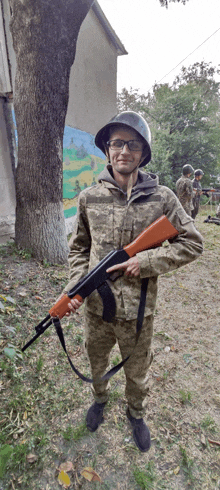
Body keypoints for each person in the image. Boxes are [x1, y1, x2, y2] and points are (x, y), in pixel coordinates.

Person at [62, 111, 203, 453]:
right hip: (96, 309)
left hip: (140, 313)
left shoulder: (164, 198)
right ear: (107, 150)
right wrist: (77, 285)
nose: (124, 150)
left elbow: (193, 243)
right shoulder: (88, 198)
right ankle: (99, 399)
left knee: (137, 372)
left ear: (143, 152)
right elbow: (79, 248)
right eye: (116, 143)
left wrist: (147, 260)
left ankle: (136, 413)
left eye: (133, 144)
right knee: (97, 362)